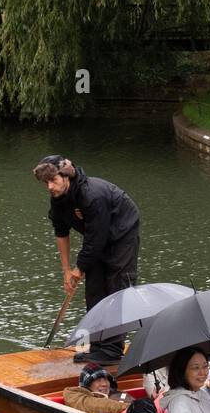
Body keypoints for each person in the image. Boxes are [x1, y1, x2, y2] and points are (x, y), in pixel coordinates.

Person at [34, 154, 141, 365]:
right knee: (94, 289)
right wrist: (66, 270)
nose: (50, 187)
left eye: (53, 180)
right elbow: (61, 232)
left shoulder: (92, 195)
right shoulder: (58, 199)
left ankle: (112, 349)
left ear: (66, 177)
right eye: (46, 182)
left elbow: (95, 239)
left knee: (116, 288)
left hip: (122, 235)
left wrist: (78, 268)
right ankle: (98, 344)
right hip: (97, 239)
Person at [62, 364, 131, 413]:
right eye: (98, 380)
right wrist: (129, 408)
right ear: (87, 385)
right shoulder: (72, 394)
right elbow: (91, 404)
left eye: (106, 380)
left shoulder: (120, 395)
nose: (104, 384)